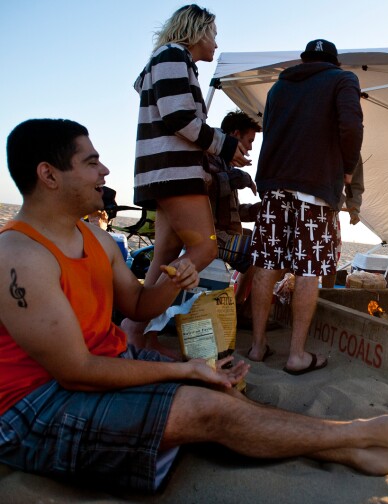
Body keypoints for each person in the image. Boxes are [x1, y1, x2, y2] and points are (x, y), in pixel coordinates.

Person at [0, 118, 388, 494]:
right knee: (206, 403)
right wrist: (184, 368)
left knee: (216, 386)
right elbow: (76, 370)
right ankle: (352, 438)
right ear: (49, 175)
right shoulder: (19, 257)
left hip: (96, 366)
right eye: (91, 161)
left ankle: (348, 448)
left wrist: (179, 277)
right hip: (33, 406)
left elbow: (138, 307)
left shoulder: (92, 238)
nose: (105, 170)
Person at [123, 4, 249, 351]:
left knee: (165, 251)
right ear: (197, 31)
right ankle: (133, 325)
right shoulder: (173, 57)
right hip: (173, 172)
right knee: (205, 248)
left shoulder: (168, 61)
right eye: (214, 35)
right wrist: (225, 146)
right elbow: (179, 118)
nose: (216, 44)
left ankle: (138, 331)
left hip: (163, 172)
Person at [248, 39, 364, 372]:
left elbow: (269, 131)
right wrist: (346, 168)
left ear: (304, 60)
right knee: (308, 269)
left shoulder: (278, 88)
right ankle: (297, 355)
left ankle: (257, 347)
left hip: (273, 185)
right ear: (334, 62)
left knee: (267, 263)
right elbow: (352, 126)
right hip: (314, 186)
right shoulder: (343, 80)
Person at [205, 110, 262, 321]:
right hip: (210, 237)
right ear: (235, 135)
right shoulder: (209, 156)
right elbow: (211, 184)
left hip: (222, 233)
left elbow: (234, 212)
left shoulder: (224, 164)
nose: (250, 148)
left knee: (263, 242)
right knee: (265, 250)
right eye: (248, 141)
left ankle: (240, 304)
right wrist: (242, 177)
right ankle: (243, 309)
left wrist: (260, 211)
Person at [321, 154, 364, 288]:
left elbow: (354, 183)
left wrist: (354, 209)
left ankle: (327, 298)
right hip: (297, 202)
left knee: (330, 260)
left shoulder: (351, 147)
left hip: (330, 209)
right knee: (292, 256)